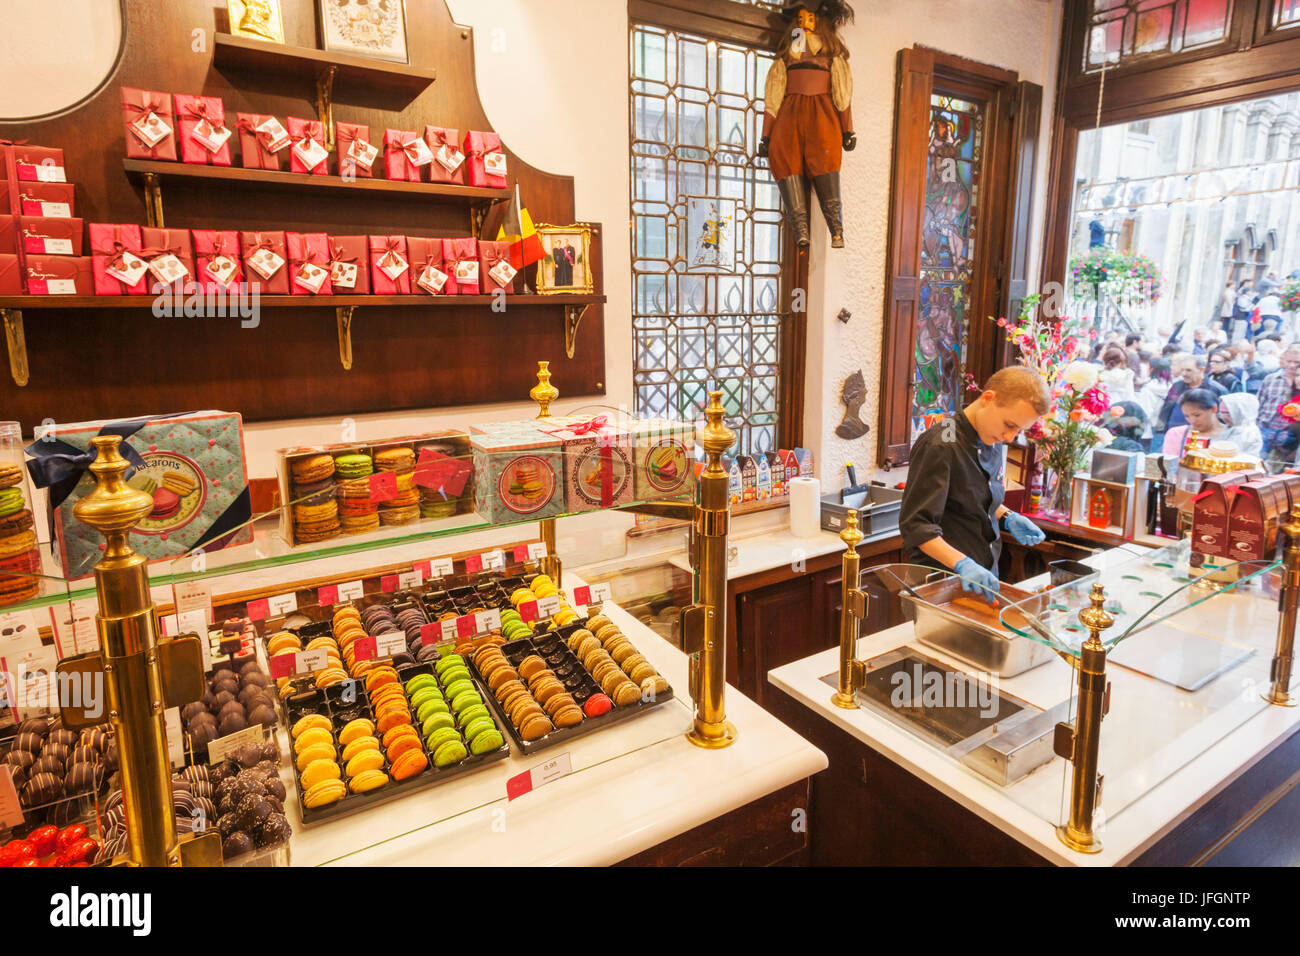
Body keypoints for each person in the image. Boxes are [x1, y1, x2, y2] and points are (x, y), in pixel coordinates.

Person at [899, 365, 1050, 603]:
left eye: (1019, 431)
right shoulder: (942, 443)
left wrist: (1007, 516)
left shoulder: (993, 436)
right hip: (940, 584)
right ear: (988, 398)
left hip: (983, 578)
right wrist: (962, 563)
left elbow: (972, 494)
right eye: (1010, 425)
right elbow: (917, 526)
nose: (1010, 437)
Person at [1153, 353, 1228, 450]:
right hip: (1176, 437)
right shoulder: (1177, 386)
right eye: (1182, 370)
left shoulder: (1216, 389)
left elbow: (1223, 416)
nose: (1184, 373)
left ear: (1202, 370)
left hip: (1206, 441)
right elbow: (1166, 409)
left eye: (1188, 370)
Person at [1256, 344, 1300, 463]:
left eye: (1296, 362)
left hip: (1290, 436)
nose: (1292, 365)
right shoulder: (1271, 379)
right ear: (1284, 359)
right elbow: (1259, 404)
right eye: (1289, 361)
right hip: (1266, 430)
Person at [1162, 388, 1226, 457]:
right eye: (1187, 416)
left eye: (1197, 415)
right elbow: (1168, 464)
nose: (1192, 421)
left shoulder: (1231, 434)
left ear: (1214, 409)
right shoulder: (1176, 434)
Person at [1218, 392, 1263, 458]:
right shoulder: (1229, 427)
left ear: (1241, 411)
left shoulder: (1248, 432)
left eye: (1227, 413)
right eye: (1221, 412)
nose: (1223, 417)